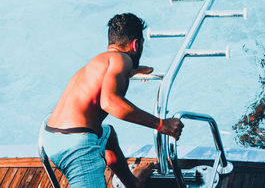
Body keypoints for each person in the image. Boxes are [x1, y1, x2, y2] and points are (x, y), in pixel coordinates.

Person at [40, 13, 184, 187]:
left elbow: (106, 82)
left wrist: (134, 70)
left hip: (51, 137)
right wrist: (162, 124)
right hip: (77, 149)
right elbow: (109, 102)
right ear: (135, 45)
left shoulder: (101, 60)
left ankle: (133, 183)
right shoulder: (122, 60)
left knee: (108, 135)